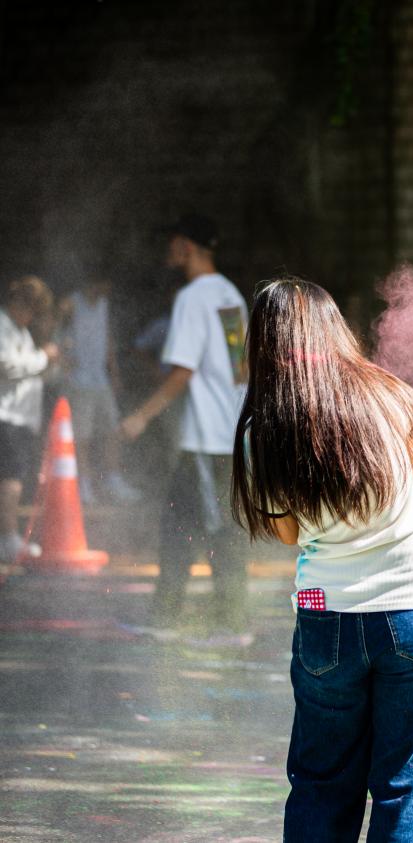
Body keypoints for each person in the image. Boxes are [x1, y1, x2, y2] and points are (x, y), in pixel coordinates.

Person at [230, 279, 413, 841]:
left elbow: (289, 532)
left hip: (325, 614)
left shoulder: (263, 429)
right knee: (404, 785)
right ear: (333, 329)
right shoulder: (388, 394)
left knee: (322, 782)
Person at [120, 213, 250, 635]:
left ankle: (231, 624)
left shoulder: (193, 298)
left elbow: (182, 371)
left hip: (205, 439)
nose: (168, 249)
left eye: (173, 241)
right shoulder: (229, 295)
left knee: (217, 532)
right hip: (224, 435)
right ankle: (168, 619)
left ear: (186, 246)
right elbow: (241, 368)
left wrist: (141, 415)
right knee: (179, 527)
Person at [59, 270, 141, 504]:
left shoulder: (103, 304)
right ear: (95, 281)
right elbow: (55, 332)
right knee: (82, 435)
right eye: (106, 284)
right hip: (78, 381)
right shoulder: (70, 303)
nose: (108, 290)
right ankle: (83, 483)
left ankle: (112, 479)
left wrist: (114, 372)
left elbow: (107, 338)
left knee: (112, 429)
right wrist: (63, 361)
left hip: (100, 379)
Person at [0, 276, 59, 562]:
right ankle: (8, 539)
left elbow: (31, 373)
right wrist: (43, 357)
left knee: (13, 478)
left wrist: (49, 363)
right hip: (6, 415)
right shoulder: (2, 326)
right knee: (10, 480)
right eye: (31, 309)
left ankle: (7, 538)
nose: (32, 317)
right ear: (18, 302)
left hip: (19, 417)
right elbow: (7, 367)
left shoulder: (20, 331)